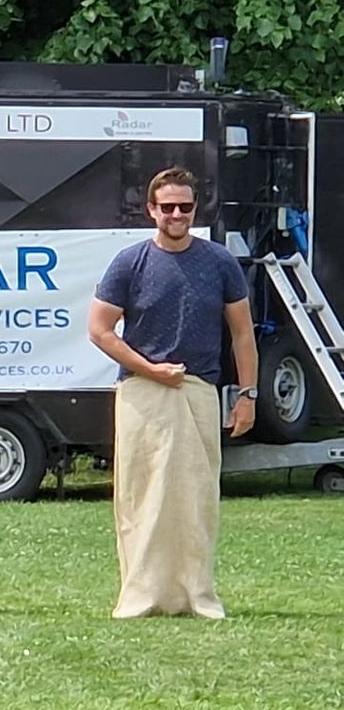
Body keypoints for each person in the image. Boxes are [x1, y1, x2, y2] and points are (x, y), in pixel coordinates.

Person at [88, 167, 257, 618]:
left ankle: (196, 596)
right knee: (141, 497)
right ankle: (141, 597)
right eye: (167, 207)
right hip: (142, 393)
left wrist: (247, 395)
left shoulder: (219, 262)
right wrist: (150, 369)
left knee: (196, 498)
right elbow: (100, 330)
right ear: (151, 211)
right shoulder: (130, 262)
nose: (176, 214)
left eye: (184, 206)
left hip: (198, 389)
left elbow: (242, 334)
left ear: (194, 209)